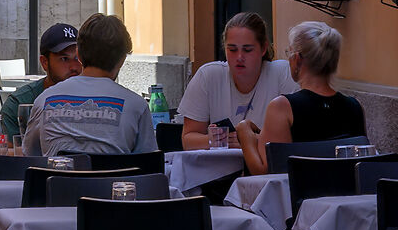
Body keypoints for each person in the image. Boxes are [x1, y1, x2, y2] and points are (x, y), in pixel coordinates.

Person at [236, 20, 365, 172]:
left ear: (296, 59)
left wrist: (244, 134)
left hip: (299, 195)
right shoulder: (355, 107)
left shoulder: (283, 108)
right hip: (345, 193)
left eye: (288, 53)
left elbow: (266, 172)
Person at [22, 13, 156, 159]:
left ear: (78, 54)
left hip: (58, 181)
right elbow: (147, 164)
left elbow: (30, 157)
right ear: (122, 59)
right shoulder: (137, 105)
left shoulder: (45, 100)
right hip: (111, 181)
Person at [178, 11, 294, 149]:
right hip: (220, 168)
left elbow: (296, 140)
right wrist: (217, 140)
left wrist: (250, 141)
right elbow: (188, 139)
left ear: (263, 48)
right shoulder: (208, 75)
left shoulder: (282, 74)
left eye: (247, 50)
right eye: (232, 50)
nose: (239, 57)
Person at [0, 23, 82, 147]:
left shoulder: (95, 99)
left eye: (78, 58)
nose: (74, 67)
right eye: (64, 59)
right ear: (44, 63)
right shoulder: (19, 102)